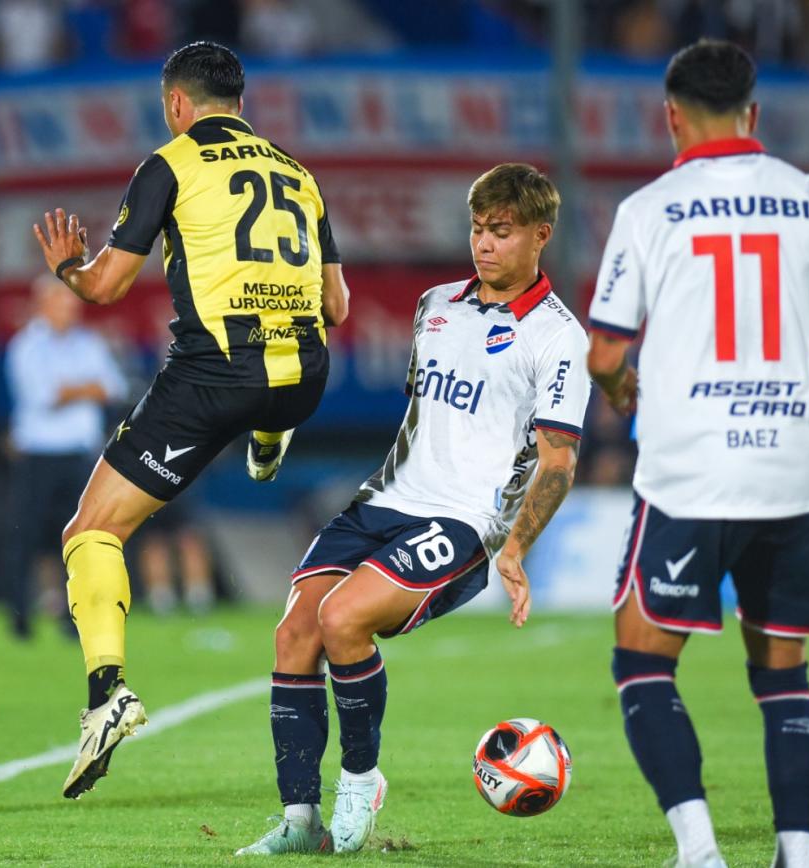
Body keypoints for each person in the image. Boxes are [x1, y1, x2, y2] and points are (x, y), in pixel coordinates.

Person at [586, 40, 809, 868]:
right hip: (796, 471)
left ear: (671, 118)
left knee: (642, 661)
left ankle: (700, 853)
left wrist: (624, 390)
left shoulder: (649, 209)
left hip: (692, 468)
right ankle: (795, 857)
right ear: (754, 116)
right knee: (782, 672)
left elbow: (602, 353)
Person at [235, 163, 590, 856]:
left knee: (343, 620)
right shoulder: (436, 306)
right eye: (478, 229)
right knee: (294, 633)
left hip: (463, 521)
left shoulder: (557, 337)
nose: (484, 244)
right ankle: (300, 823)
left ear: (541, 236)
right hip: (386, 500)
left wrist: (514, 545)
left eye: (502, 232)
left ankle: (361, 781)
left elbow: (558, 459)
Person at [31, 40, 350, 800]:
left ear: (178, 104)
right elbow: (337, 308)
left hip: (217, 379)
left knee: (92, 531)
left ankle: (106, 694)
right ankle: (271, 437)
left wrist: (65, 269)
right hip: (306, 374)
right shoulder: (299, 174)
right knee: (275, 391)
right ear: (239, 103)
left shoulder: (169, 162)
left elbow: (106, 286)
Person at [0, 274, 128, 639]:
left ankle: (76, 619)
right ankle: (19, 617)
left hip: (78, 455)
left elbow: (113, 388)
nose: (69, 311)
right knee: (25, 537)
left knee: (81, 539)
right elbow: (44, 397)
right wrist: (87, 387)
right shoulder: (25, 346)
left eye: (72, 304)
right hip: (37, 454)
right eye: (61, 303)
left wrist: (75, 389)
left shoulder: (87, 343)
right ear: (43, 305)